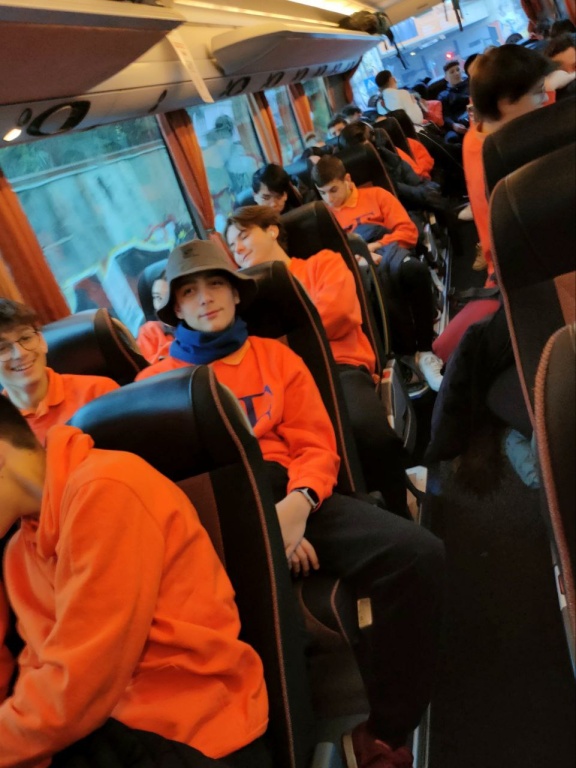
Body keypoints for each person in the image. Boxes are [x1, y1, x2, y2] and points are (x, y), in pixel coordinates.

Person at [136, 239, 446, 768]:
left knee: (419, 555)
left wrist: (296, 510)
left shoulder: (275, 357)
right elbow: (163, 489)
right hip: (215, 524)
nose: (205, 298)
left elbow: (316, 446)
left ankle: (386, 730)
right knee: (264, 620)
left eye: (216, 284)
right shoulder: (151, 386)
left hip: (294, 493)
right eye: (189, 292)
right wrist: (269, 529)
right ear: (176, 310)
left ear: (236, 294)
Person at [0, 396, 270, 767]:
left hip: (194, 734)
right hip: (106, 729)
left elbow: (82, 683)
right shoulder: (19, 555)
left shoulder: (107, 489)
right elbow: (44, 678)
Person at [225, 204, 409, 516]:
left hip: (338, 370)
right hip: (281, 390)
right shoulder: (245, 305)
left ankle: (398, 513)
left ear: (272, 230)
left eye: (243, 236)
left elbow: (339, 313)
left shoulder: (322, 264)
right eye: (231, 246)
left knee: (367, 433)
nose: (237, 249)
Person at [310, 155, 444, 390]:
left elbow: (408, 232)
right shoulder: (323, 219)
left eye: (333, 190)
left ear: (347, 179)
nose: (329, 199)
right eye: (322, 193)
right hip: (351, 267)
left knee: (414, 270)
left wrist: (372, 247)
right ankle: (399, 357)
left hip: (386, 251)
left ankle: (424, 350)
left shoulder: (376, 196)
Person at [462, 45, 552, 283]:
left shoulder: (477, 135)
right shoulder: (501, 157)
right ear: (504, 103)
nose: (545, 98)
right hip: (524, 272)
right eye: (539, 92)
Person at [0, 299, 119, 444]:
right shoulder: (4, 423)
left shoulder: (98, 392)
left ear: (42, 341)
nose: (20, 353)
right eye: (2, 348)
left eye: (26, 338)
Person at [136, 269, 174, 364]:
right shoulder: (149, 331)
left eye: (168, 298)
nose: (162, 306)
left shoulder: (202, 323)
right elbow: (147, 368)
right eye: (158, 298)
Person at [437, 60, 470, 143]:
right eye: (452, 72)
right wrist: (453, 125)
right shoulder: (444, 95)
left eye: (458, 70)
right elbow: (445, 115)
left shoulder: (470, 84)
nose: (456, 73)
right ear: (446, 78)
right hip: (459, 124)